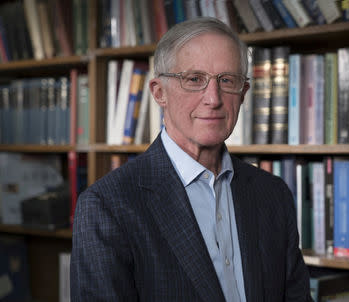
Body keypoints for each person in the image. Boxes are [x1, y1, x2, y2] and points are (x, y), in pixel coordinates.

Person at [71, 17, 312, 302]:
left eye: (227, 80)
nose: (213, 98)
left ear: (243, 93)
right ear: (159, 93)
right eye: (194, 79)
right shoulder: (107, 206)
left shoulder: (273, 194)